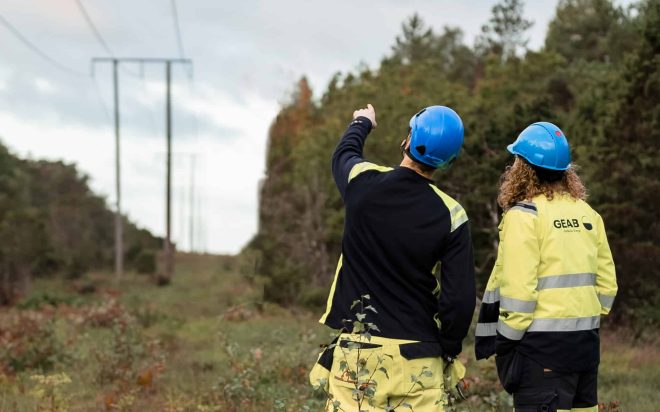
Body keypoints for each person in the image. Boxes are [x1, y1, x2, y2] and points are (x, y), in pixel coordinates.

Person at [309, 104, 476, 410]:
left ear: (408, 140)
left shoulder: (362, 182)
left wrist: (362, 122)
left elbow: (343, 155)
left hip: (358, 354)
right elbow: (460, 299)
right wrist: (448, 349)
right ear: (449, 159)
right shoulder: (453, 214)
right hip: (420, 357)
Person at [474, 122, 617, 412]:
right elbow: (607, 289)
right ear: (566, 170)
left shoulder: (524, 216)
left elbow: (519, 297)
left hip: (540, 355)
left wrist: (505, 343)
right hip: (586, 351)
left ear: (522, 167)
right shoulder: (588, 214)